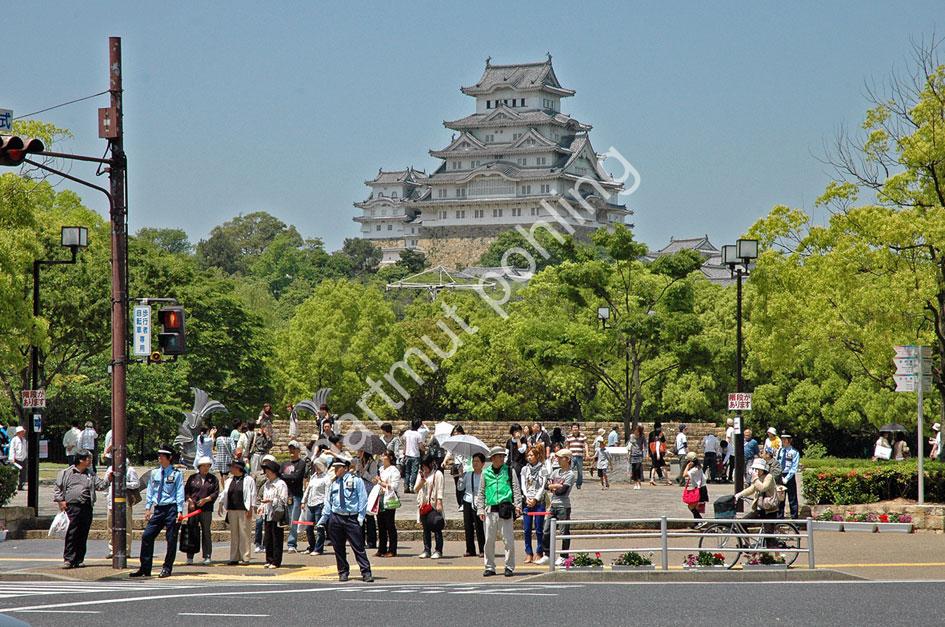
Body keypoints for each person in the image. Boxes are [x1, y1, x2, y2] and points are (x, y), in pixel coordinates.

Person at [316, 455, 374, 583]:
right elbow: (328, 502)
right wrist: (323, 519)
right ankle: (343, 571)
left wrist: (360, 517)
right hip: (336, 517)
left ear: (346, 468)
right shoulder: (333, 483)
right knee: (338, 547)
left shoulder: (356, 480)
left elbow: (363, 499)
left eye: (338, 467)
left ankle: (366, 572)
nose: (336, 470)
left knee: (358, 547)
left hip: (351, 517)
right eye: (335, 467)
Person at [131, 445, 184, 578]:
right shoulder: (154, 473)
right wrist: (148, 507)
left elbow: (179, 492)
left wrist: (180, 510)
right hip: (159, 508)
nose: (159, 458)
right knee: (147, 536)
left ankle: (167, 568)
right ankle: (145, 567)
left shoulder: (176, 474)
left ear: (169, 458)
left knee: (171, 539)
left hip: (171, 508)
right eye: (159, 455)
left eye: (162, 455)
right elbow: (150, 491)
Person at [53, 449, 110, 568]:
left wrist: (108, 479)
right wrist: (61, 501)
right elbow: (58, 488)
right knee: (72, 533)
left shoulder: (90, 473)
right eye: (88, 458)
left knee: (83, 533)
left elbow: (100, 486)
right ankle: (69, 559)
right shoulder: (67, 472)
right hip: (72, 506)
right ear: (80, 460)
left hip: (86, 506)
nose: (90, 461)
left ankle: (79, 559)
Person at [475, 447, 522, 577]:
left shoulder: (509, 471)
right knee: (489, 540)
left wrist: (518, 506)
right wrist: (480, 509)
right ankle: (489, 566)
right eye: (499, 456)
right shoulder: (485, 473)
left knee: (508, 540)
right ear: (493, 458)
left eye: (503, 456)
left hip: (505, 509)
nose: (502, 458)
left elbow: (516, 489)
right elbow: (481, 492)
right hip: (490, 510)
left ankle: (509, 566)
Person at [535, 448, 575, 566]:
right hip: (553, 505)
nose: (557, 459)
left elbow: (562, 491)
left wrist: (554, 487)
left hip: (563, 506)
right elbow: (546, 486)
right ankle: (547, 554)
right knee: (546, 530)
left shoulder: (570, 474)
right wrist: (555, 485)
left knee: (564, 531)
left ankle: (564, 556)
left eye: (560, 457)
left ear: (567, 459)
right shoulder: (555, 472)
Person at [216, 459, 256, 565]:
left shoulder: (249, 480)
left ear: (238, 468)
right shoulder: (229, 480)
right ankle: (234, 557)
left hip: (243, 509)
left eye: (232, 467)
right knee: (234, 534)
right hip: (232, 509)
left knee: (244, 533)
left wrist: (251, 508)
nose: (230, 469)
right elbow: (224, 493)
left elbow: (252, 494)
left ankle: (245, 556)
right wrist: (220, 504)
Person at [736, 457, 779, 547]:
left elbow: (763, 487)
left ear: (763, 469)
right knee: (742, 523)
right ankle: (747, 544)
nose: (757, 471)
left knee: (768, 535)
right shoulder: (757, 478)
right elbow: (752, 489)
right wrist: (739, 494)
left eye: (758, 469)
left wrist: (755, 479)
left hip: (769, 509)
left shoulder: (769, 477)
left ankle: (776, 557)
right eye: (755, 469)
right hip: (759, 508)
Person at [183, 456, 219, 565]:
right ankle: (190, 556)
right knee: (192, 530)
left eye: (208, 466)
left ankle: (207, 555)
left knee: (206, 532)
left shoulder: (213, 479)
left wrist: (207, 499)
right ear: (199, 467)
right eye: (204, 466)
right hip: (193, 508)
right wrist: (190, 501)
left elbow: (215, 492)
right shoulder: (193, 478)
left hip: (206, 508)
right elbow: (186, 492)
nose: (206, 468)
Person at [104, 461, 139, 559]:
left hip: (125, 501)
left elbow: (136, 484)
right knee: (110, 526)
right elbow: (105, 483)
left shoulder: (130, 470)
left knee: (127, 526)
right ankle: (112, 550)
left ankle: (126, 550)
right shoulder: (110, 468)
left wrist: (122, 482)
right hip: (111, 501)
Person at [259, 459, 288, 569]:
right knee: (268, 537)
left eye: (267, 471)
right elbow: (264, 498)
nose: (266, 473)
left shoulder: (280, 484)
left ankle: (276, 561)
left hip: (277, 514)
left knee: (277, 537)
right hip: (268, 513)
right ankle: (269, 559)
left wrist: (271, 501)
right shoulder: (267, 484)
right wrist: (262, 507)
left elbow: (283, 499)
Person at [415, 454, 445, 559]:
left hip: (433, 504)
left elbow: (440, 489)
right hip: (423, 505)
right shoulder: (421, 474)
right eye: (422, 466)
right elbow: (416, 489)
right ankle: (427, 549)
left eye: (426, 466)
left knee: (436, 526)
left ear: (431, 464)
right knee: (425, 529)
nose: (424, 469)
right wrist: (422, 481)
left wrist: (439, 501)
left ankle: (438, 550)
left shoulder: (437, 474)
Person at [521, 446, 547, 564]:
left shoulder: (543, 468)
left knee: (539, 528)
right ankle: (528, 552)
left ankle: (539, 551)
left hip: (539, 501)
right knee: (526, 529)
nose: (529, 457)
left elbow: (543, 485)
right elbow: (523, 485)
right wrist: (527, 497)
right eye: (528, 455)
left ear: (537, 456)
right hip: (528, 500)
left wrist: (536, 499)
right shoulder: (524, 469)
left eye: (532, 455)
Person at [280, 441, 307, 553]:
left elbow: (296, 477)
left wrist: (285, 476)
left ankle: (292, 543)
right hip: (285, 495)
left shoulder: (301, 463)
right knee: (283, 520)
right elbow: (279, 475)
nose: (291, 451)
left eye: (294, 449)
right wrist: (288, 477)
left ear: (298, 450)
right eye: (290, 448)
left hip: (296, 495)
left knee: (294, 520)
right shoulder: (284, 463)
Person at [301, 459, 330, 555]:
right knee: (308, 527)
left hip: (320, 504)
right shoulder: (313, 477)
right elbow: (308, 489)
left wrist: (326, 505)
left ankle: (318, 548)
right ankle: (311, 546)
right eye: (316, 465)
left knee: (320, 527)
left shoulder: (326, 478)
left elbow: (327, 493)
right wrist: (303, 501)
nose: (317, 467)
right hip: (310, 504)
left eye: (319, 465)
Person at [375, 450, 401, 557]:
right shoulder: (381, 469)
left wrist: (381, 482)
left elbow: (394, 486)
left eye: (384, 455)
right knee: (381, 525)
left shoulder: (394, 470)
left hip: (389, 498)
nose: (382, 457)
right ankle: (381, 548)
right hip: (380, 498)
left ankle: (392, 549)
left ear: (390, 457)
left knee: (390, 525)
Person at [460, 452, 486, 557]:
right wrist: (461, 477)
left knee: (480, 527)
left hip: (479, 502)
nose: (475, 463)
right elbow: (460, 488)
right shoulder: (468, 474)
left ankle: (482, 549)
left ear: (483, 463)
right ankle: (470, 549)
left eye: (477, 461)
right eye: (473, 461)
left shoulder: (485, 475)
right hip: (468, 500)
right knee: (468, 526)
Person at [356, 449, 379, 550]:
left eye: (360, 451)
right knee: (360, 516)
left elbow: (373, 479)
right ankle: (360, 540)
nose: (358, 453)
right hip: (360, 491)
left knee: (369, 517)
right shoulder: (359, 462)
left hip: (369, 491)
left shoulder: (372, 463)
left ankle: (371, 541)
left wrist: (364, 473)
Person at [777, 434, 800, 519]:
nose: (782, 441)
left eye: (784, 439)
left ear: (788, 440)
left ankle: (794, 519)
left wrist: (787, 478)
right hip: (780, 475)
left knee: (792, 498)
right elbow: (777, 463)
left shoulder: (794, 452)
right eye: (782, 439)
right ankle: (779, 519)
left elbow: (794, 467)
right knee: (780, 498)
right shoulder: (780, 451)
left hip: (789, 476)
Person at [682, 452, 707, 519]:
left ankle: (700, 521)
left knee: (691, 506)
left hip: (700, 489)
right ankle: (697, 522)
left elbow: (684, 475)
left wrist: (687, 466)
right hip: (702, 488)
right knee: (695, 507)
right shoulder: (698, 467)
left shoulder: (695, 469)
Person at [402, 420, 423, 493]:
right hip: (415, 455)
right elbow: (420, 446)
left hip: (407, 455)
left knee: (407, 471)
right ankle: (412, 486)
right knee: (414, 472)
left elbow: (404, 443)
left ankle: (406, 486)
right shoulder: (418, 434)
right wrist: (424, 449)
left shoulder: (407, 433)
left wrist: (404, 452)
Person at [565, 424, 588, 490]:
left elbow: (585, 444)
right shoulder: (569, 436)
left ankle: (578, 484)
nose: (575, 429)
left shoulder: (582, 436)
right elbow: (567, 445)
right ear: (571, 429)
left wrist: (587, 454)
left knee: (580, 471)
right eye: (573, 427)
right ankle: (568, 482)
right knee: (569, 470)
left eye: (576, 427)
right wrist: (567, 454)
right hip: (571, 456)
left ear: (578, 428)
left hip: (579, 456)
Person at [628, 425, 646, 490]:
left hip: (639, 455)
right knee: (634, 470)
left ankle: (638, 482)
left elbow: (645, 446)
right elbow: (630, 445)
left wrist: (645, 454)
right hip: (633, 455)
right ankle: (636, 483)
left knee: (638, 469)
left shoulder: (642, 437)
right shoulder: (632, 436)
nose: (636, 431)